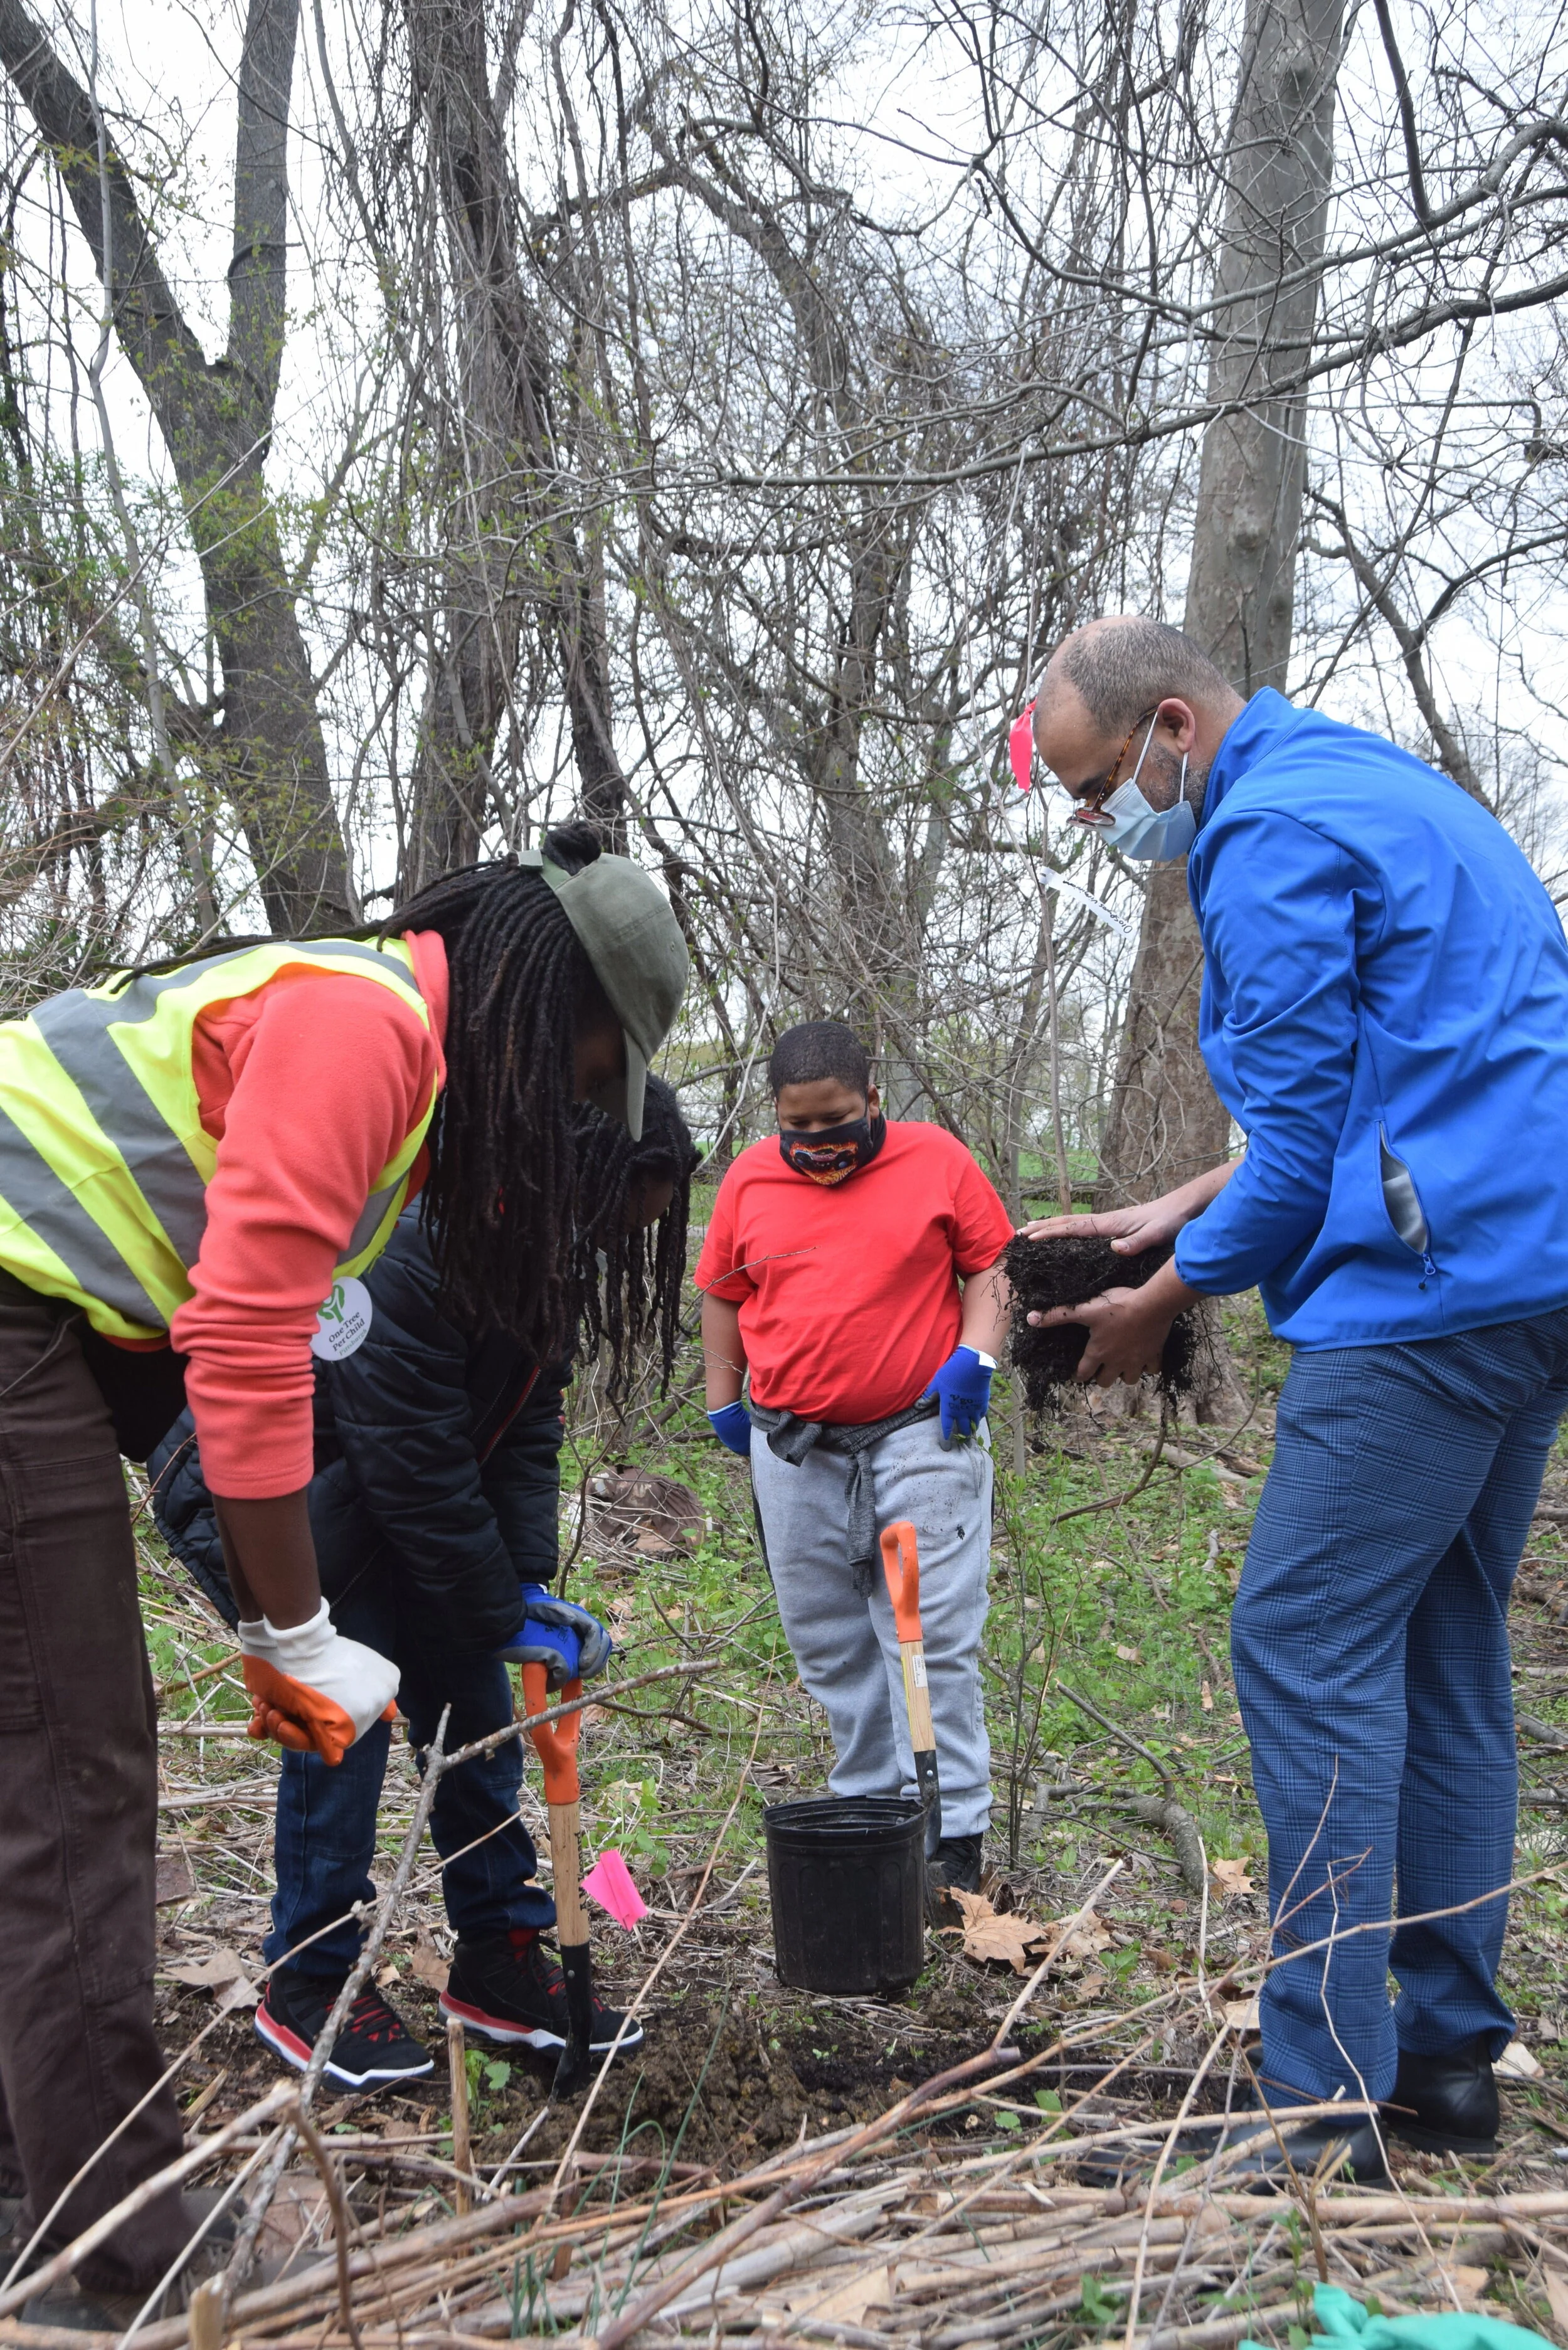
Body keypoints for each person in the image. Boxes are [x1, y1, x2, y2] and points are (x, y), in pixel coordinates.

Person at [0, 824, 686, 2313]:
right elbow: (247, 1346)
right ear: (540, 1002)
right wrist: (294, 1625)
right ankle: (118, 2265)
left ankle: (29, 2182)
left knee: (37, 1782)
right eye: (585, 1071)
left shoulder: (394, 1068)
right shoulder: (372, 1028)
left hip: (64, 1341)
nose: (574, 1106)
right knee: (75, 1787)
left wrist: (494, 1605)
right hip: (26, 1322)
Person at [1019, 615, 1568, 2182]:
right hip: (1526, 1274)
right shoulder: (1370, 788)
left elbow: (1307, 1132)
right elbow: (1371, 1087)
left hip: (1426, 1304)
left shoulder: (1256, 837)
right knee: (1440, 1644)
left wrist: (1163, 1296)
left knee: (1302, 1639)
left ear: (1172, 726)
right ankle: (1446, 2059)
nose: (1090, 820)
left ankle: (1316, 2101)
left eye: (1091, 784)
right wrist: (1171, 1212)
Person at [149, 1077, 697, 2091]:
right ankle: (308, 1983)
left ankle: (497, 1957)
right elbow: (410, 1453)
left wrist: (524, 1588)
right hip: (292, 1504)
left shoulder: (544, 1257)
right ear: (570, 1175)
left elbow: (527, 1422)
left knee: (476, 1719)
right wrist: (491, 1603)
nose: (620, 1247)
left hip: (400, 1512)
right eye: (617, 1220)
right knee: (336, 1730)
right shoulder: (422, 1230)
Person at [696, 1020, 1012, 1905]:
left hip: (920, 1434)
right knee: (830, 1642)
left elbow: (992, 1264)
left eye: (836, 1123)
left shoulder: (936, 1161)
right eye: (800, 1130)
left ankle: (951, 1837)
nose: (820, 1147)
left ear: (873, 1099)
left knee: (926, 1638)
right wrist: (725, 1397)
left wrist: (977, 1356)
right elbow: (726, 1292)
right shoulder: (751, 1180)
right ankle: (872, 1820)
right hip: (797, 1448)